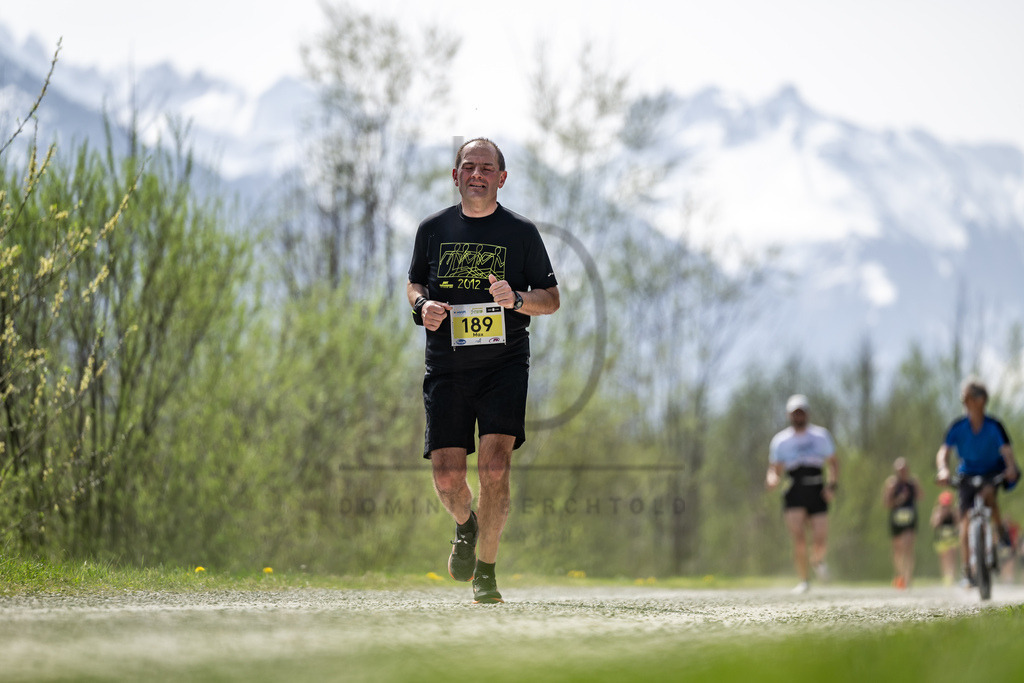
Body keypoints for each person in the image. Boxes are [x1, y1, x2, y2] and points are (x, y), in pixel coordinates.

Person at [406, 138, 560, 604]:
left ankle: (487, 572)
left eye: (486, 168)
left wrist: (516, 299)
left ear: (502, 177)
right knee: (449, 480)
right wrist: (423, 305)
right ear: (455, 176)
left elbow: (550, 300)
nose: (477, 174)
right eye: (468, 166)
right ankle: (465, 525)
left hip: (503, 366)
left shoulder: (521, 233)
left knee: (495, 469)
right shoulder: (432, 229)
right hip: (447, 369)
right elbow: (414, 283)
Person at [935, 378, 1018, 587]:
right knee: (964, 523)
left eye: (969, 397)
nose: (965, 401)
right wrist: (943, 469)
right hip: (967, 474)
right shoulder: (958, 427)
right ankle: (968, 571)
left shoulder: (994, 426)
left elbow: (1007, 452)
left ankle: (999, 529)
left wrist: (1011, 468)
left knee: (989, 495)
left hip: (991, 471)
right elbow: (944, 452)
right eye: (964, 398)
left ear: (981, 400)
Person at [766, 394, 839, 594]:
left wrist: (832, 486)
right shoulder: (781, 440)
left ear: (807, 413)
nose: (798, 416)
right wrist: (772, 478)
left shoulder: (820, 436)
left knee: (820, 537)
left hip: (816, 487)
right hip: (794, 489)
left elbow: (833, 463)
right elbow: (774, 467)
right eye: (794, 413)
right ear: (789, 415)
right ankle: (804, 580)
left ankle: (817, 560)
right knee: (798, 537)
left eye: (801, 412)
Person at [882, 457, 920, 589]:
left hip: (910, 518)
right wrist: (898, 499)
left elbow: (920, 497)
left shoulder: (912, 482)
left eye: (904, 470)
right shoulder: (891, 484)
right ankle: (900, 574)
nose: (902, 472)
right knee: (898, 549)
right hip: (896, 520)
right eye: (899, 470)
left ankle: (908, 576)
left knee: (908, 546)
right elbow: (886, 504)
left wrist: (916, 486)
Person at [930, 490, 959, 587]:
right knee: (944, 558)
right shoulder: (937, 511)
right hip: (941, 540)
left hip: (952, 539)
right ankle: (945, 576)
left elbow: (958, 524)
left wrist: (953, 515)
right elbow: (934, 524)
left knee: (952, 556)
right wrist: (941, 517)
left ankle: (951, 575)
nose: (946, 507)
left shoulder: (953, 511)